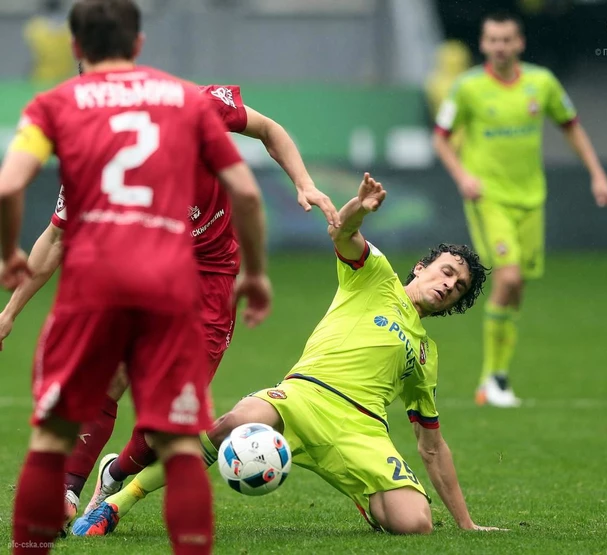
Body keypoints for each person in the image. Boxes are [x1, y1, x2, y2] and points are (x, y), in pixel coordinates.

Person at [79, 172, 503, 536]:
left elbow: (432, 446)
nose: (449, 285)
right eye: (447, 272)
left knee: (415, 524)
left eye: (458, 288)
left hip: (362, 431)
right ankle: (118, 502)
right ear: (422, 268)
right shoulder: (377, 278)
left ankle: (367, 497)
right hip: (302, 397)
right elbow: (343, 233)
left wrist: (466, 523)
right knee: (234, 423)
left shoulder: (426, 355)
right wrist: (360, 207)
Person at [0, 78, 337, 533]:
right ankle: (66, 491)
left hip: (211, 277)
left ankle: (115, 473)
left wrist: (305, 183)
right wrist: (9, 313)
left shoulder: (200, 108)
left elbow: (269, 130)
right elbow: (57, 239)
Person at [0, 0, 270, 553]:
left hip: (105, 285)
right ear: (139, 45)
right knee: (178, 435)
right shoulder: (180, 99)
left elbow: (10, 190)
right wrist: (259, 272)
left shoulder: (57, 109)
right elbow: (245, 191)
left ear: (76, 48)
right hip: (164, 286)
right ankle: (80, 490)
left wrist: (7, 260)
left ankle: (60, 507)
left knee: (54, 432)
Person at [433, 12, 607, 408]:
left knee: (517, 288)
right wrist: (463, 176)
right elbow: (441, 137)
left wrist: (597, 174)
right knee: (509, 277)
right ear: (483, 44)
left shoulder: (542, 82)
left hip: (531, 198)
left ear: (520, 43)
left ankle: (496, 378)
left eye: (507, 39)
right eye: (493, 40)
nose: (500, 46)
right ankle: (493, 378)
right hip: (489, 198)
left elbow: (571, 125)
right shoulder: (468, 87)